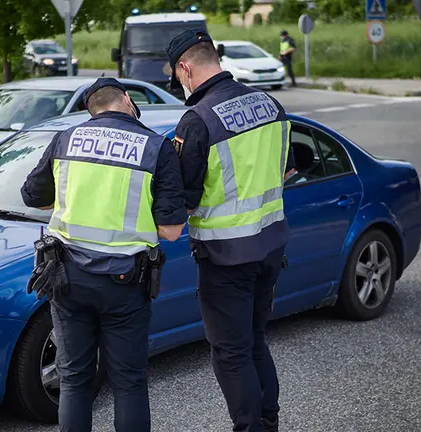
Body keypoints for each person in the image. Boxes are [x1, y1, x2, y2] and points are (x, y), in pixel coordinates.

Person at [21, 77, 187, 432]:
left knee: (75, 379)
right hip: (125, 282)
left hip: (67, 280)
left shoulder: (67, 139)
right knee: (128, 381)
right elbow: (172, 231)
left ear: (90, 109)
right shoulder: (156, 147)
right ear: (127, 100)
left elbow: (32, 196)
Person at [166, 29, 297, 432]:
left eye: (177, 76)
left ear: (186, 68)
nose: (179, 85)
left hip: (225, 258)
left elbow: (185, 201)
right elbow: (286, 169)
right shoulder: (271, 105)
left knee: (231, 353)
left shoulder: (198, 119)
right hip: (271, 247)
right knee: (255, 340)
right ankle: (268, 422)